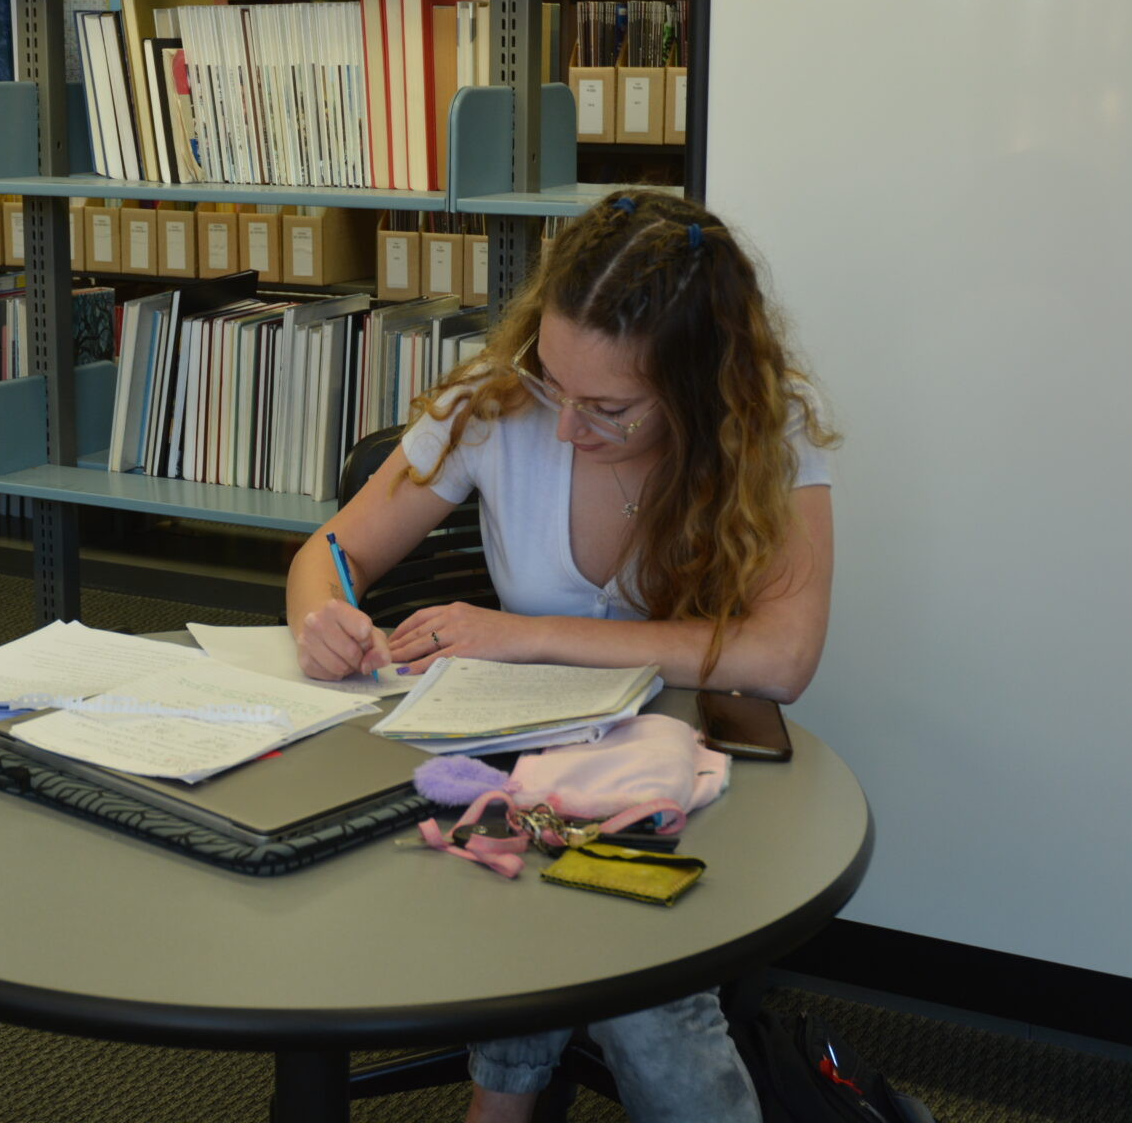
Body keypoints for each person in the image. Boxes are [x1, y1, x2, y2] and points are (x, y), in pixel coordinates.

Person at [285, 189, 837, 1123]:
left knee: (634, 976)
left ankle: (501, 1100)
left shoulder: (765, 430)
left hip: (686, 766)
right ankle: (504, 1101)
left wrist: (529, 633)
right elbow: (336, 551)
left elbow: (781, 657)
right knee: (571, 900)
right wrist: (319, 610)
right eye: (554, 383)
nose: (567, 426)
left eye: (610, 407)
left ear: (698, 386)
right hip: (522, 753)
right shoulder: (494, 400)